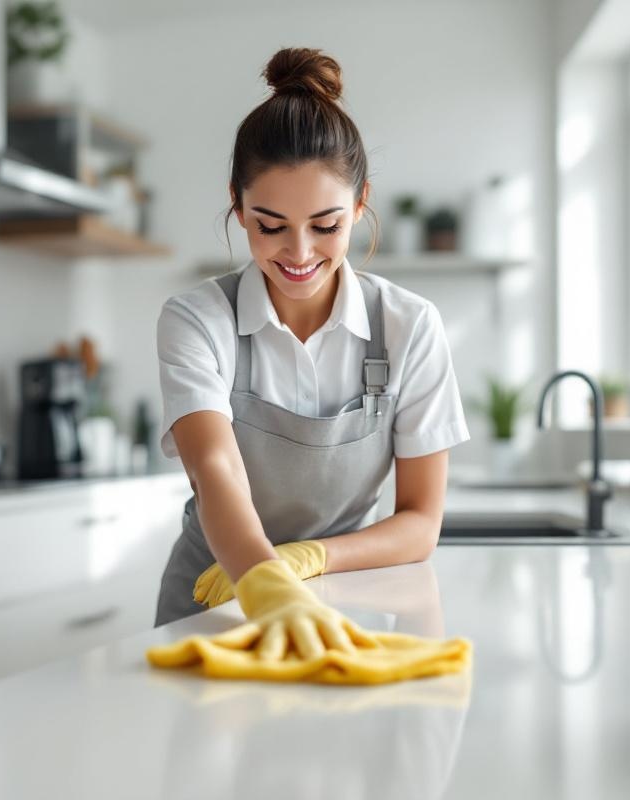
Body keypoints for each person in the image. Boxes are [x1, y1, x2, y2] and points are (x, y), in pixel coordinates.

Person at [153, 47, 469, 643]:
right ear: (238, 206)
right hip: (210, 602)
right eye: (271, 225)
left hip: (347, 598)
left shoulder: (410, 327)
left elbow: (421, 522)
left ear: (360, 203)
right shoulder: (196, 320)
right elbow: (216, 469)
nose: (299, 254)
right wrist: (266, 581)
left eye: (326, 226)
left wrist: (310, 559)